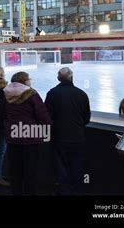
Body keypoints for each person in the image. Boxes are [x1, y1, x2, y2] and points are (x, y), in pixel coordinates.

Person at [4, 71, 52, 195]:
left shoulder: (5, 94)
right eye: (29, 79)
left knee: (15, 169)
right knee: (30, 170)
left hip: (13, 136)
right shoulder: (32, 95)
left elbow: (2, 114)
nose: (30, 81)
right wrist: (49, 124)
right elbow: (42, 114)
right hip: (30, 137)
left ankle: (16, 192)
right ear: (24, 81)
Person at [45, 67, 91, 195]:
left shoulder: (52, 93)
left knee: (61, 165)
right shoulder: (82, 94)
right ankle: (77, 190)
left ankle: (64, 190)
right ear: (72, 77)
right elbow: (86, 117)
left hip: (59, 136)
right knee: (77, 164)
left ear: (58, 78)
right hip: (77, 136)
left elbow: (47, 115)